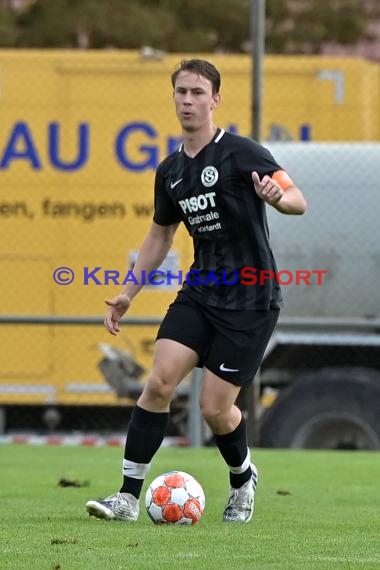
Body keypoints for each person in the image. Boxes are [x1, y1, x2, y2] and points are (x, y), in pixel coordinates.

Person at [86, 59, 307, 524]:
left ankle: (243, 478)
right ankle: (127, 497)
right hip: (202, 291)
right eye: (181, 92)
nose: (188, 100)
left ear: (215, 99)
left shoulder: (242, 153)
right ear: (174, 97)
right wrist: (128, 293)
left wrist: (277, 199)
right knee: (159, 382)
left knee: (214, 408)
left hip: (250, 297)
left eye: (197, 93)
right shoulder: (170, 171)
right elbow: (159, 237)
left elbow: (296, 200)